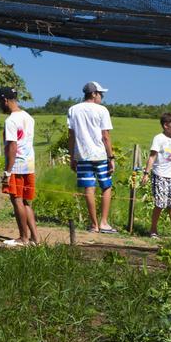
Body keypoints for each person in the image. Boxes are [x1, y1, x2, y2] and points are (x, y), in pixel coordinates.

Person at [68, 81, 116, 234]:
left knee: (89, 188)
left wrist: (72, 156)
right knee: (106, 186)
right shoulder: (102, 110)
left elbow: (71, 135)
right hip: (100, 155)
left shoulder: (73, 110)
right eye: (100, 93)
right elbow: (106, 136)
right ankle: (104, 222)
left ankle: (94, 225)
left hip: (82, 155)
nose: (102, 96)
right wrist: (111, 157)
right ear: (94, 94)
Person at [0, 87, 39, 246]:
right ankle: (35, 239)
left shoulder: (11, 121)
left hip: (17, 165)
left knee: (17, 201)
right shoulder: (28, 117)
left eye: (0, 102)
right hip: (29, 164)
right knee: (26, 202)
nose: (0, 105)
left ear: (5, 100)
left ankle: (23, 238)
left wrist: (8, 171)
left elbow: (12, 147)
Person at [145, 113, 171, 240]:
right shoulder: (158, 138)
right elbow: (152, 156)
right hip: (160, 175)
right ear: (165, 125)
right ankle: (153, 230)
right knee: (160, 204)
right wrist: (146, 173)